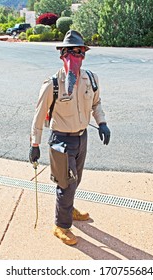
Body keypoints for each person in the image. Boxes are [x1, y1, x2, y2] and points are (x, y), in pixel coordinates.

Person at [29, 30, 110, 246]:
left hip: (82, 138)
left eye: (80, 52)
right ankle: (61, 226)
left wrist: (102, 123)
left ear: (84, 54)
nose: (76, 56)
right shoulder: (52, 84)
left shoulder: (91, 78)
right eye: (71, 52)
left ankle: (69, 209)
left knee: (75, 180)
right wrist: (34, 145)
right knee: (65, 184)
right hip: (61, 140)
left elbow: (96, 103)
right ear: (62, 54)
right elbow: (38, 117)